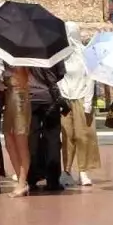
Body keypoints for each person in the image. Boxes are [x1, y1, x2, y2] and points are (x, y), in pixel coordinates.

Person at [58, 21, 100, 187]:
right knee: (67, 136)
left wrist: (88, 103)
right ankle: (66, 170)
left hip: (82, 97)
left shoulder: (85, 54)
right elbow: (58, 78)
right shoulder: (60, 56)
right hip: (65, 99)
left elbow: (90, 79)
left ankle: (83, 170)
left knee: (83, 136)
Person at [26, 64, 67, 193]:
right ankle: (53, 180)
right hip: (50, 99)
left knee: (31, 139)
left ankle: (31, 178)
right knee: (53, 140)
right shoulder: (53, 50)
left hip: (30, 98)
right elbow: (60, 74)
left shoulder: (24, 51)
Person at [2, 64, 32, 197]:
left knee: (21, 142)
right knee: (9, 141)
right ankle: (21, 179)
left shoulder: (23, 60)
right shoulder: (5, 60)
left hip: (20, 99)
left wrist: (18, 69)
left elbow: (25, 80)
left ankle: (22, 181)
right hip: (9, 99)